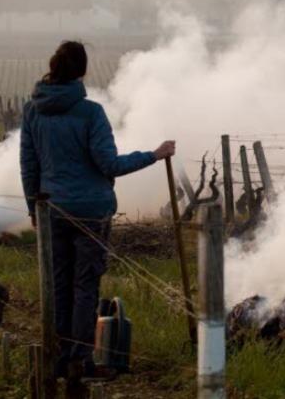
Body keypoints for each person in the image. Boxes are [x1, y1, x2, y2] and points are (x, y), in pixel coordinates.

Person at [20, 41, 175, 381]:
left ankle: (60, 358)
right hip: (91, 212)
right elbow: (109, 164)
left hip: (53, 212)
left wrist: (34, 207)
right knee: (85, 285)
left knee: (58, 285)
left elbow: (28, 165)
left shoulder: (32, 110)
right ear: (82, 71)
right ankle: (81, 359)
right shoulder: (91, 113)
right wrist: (154, 154)